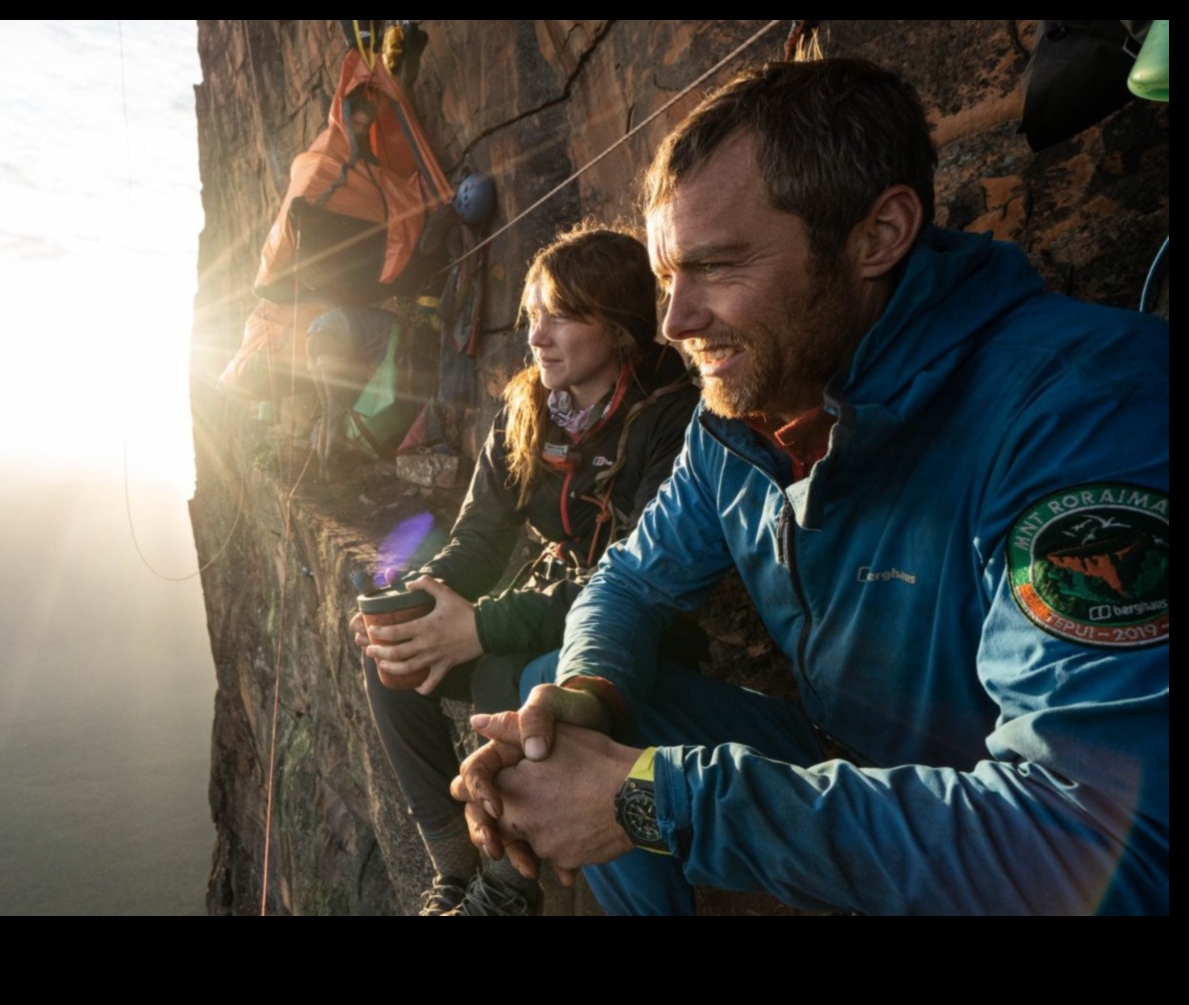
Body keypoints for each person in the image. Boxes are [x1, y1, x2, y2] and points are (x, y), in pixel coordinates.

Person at [451, 58, 1169, 915]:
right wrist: (584, 694)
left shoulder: (1079, 405)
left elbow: (1098, 838)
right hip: (843, 755)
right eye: (666, 277)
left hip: (995, 813)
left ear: (878, 234)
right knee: (562, 709)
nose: (674, 322)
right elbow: (631, 578)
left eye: (715, 267)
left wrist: (655, 799)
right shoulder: (739, 422)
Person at [353, 225, 703, 915]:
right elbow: (480, 537)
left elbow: (634, 578)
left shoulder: (672, 416)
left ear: (621, 325)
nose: (537, 336)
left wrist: (481, 625)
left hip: (643, 636)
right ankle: (454, 868)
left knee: (503, 674)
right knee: (390, 656)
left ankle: (510, 886)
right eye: (533, 314)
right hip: (553, 603)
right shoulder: (529, 411)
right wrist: (427, 597)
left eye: (562, 315)